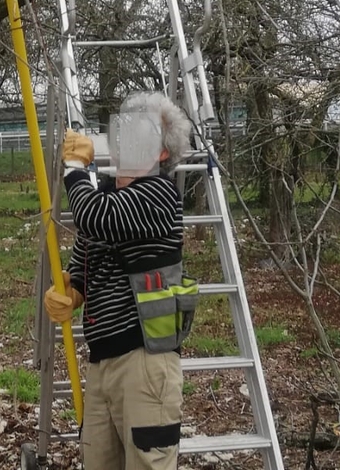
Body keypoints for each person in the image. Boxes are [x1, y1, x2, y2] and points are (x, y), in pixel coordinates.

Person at [44, 91, 194, 470]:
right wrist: (73, 289)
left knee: (147, 463)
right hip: (103, 362)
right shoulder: (111, 197)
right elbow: (85, 255)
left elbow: (93, 217)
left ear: (161, 152)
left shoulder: (159, 194)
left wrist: (75, 167)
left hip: (145, 362)